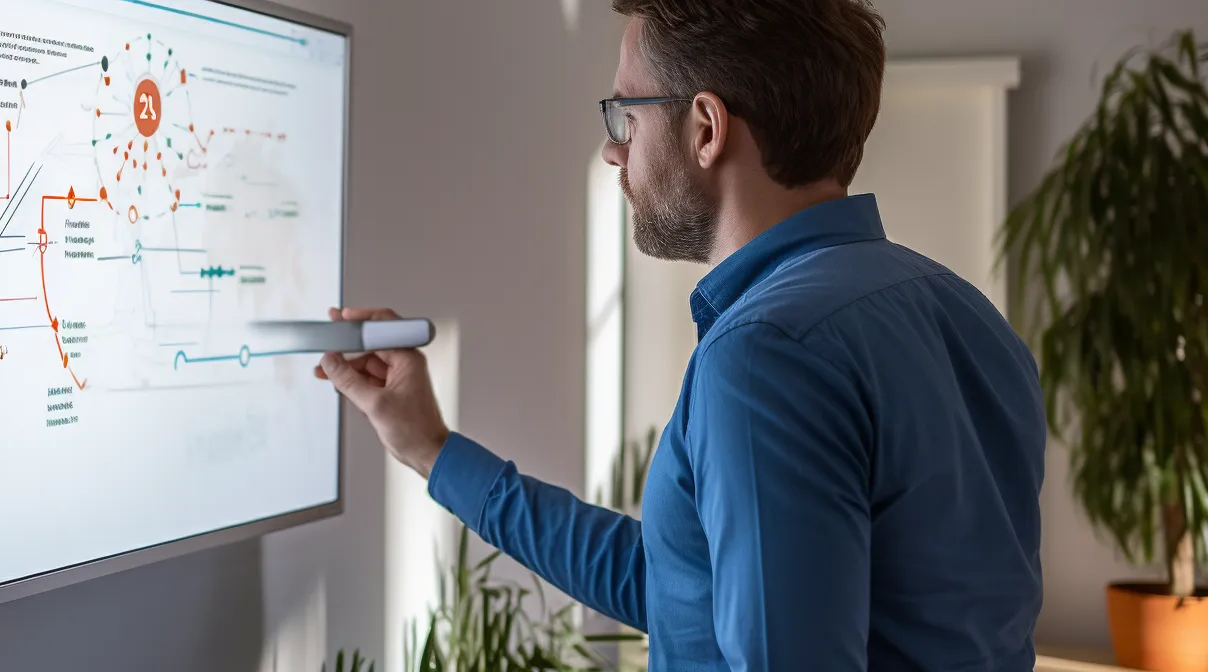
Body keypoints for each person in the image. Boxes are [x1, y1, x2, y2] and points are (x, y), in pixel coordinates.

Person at [314, 0, 1047, 670]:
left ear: (705, 126)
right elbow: (679, 582)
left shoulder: (766, 354)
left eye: (625, 117)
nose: (613, 153)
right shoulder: (964, 312)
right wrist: (432, 450)